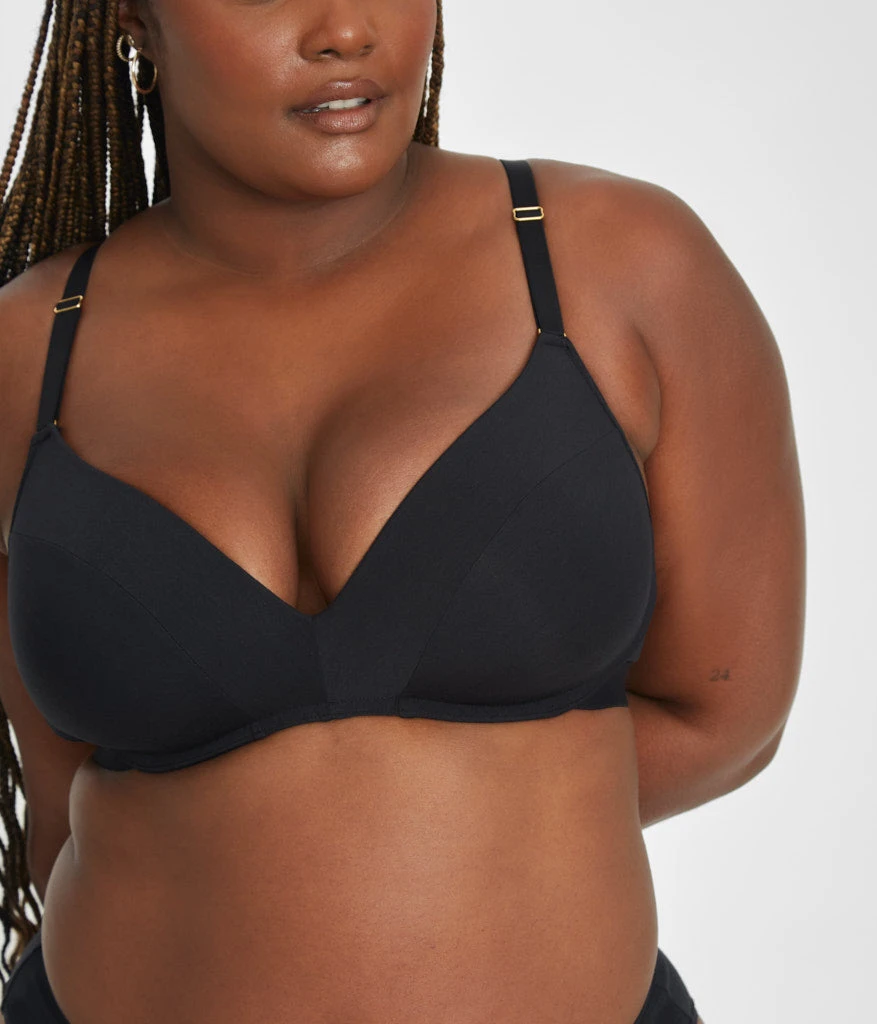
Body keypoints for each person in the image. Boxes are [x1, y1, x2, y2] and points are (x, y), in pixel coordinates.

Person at [0, 1, 805, 1022]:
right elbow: (64, 800)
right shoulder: (27, 352)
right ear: (132, 18)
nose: (346, 29)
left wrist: (451, 834)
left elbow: (726, 714)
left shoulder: (618, 264)